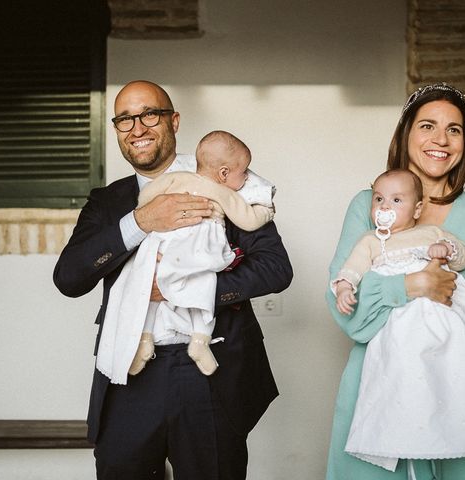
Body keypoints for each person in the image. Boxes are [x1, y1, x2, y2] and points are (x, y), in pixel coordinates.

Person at [53, 80, 293, 480]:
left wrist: (188, 291)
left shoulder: (224, 177)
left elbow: (276, 267)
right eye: (125, 120)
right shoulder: (107, 202)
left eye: (149, 114)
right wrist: (140, 221)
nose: (138, 128)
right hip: (130, 372)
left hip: (212, 371)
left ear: (174, 120)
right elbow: (69, 278)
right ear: (117, 130)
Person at [325, 83, 465, 480]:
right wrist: (411, 286)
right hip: (381, 387)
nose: (441, 140)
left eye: (455, 129)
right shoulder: (369, 206)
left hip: (459, 389)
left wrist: (453, 365)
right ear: (405, 133)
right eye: (428, 126)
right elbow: (346, 308)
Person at [97, 130, 276, 382]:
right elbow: (248, 220)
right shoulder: (224, 193)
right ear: (224, 173)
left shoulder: (177, 179)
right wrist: (266, 211)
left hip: (168, 245)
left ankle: (143, 339)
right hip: (199, 250)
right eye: (244, 172)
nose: (247, 177)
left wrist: (145, 214)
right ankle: (200, 340)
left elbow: (147, 197)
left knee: (155, 292)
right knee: (198, 288)